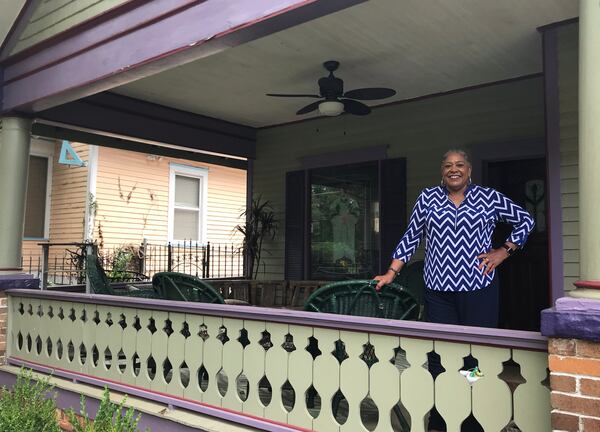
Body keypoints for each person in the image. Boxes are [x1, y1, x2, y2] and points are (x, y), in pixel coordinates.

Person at [374, 149, 534, 328]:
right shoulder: (427, 197)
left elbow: (525, 221)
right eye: (448, 165)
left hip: (478, 284)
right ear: (442, 171)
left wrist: (503, 252)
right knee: (441, 348)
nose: (454, 169)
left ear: (469, 170)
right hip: (437, 288)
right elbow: (412, 236)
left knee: (478, 347)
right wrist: (391, 273)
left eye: (459, 165)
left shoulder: (488, 197)